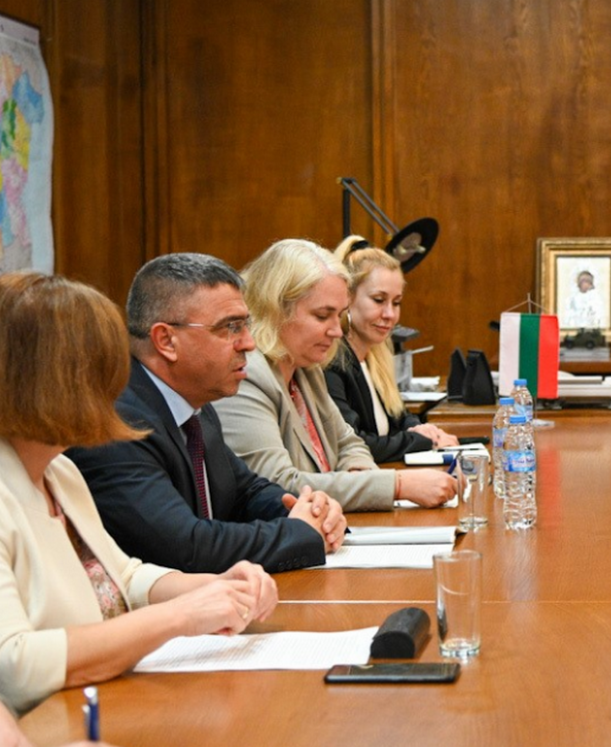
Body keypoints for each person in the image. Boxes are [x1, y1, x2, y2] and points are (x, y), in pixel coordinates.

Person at [0, 273, 277, 716]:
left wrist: (216, 586)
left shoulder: (59, 470)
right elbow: (15, 666)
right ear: (42, 381)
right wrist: (181, 617)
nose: (117, 388)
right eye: (100, 370)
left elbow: (122, 578)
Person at [67, 254, 345, 574]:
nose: (249, 343)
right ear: (166, 341)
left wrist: (314, 511)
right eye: (230, 327)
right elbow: (186, 547)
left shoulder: (195, 402)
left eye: (246, 325)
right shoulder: (117, 423)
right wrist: (300, 533)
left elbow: (246, 492)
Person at [212, 238, 456, 509]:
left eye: (338, 316)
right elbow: (277, 486)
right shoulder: (246, 376)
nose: (337, 331)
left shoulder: (306, 370)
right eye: (322, 316)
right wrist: (396, 486)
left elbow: (350, 443)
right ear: (276, 309)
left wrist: (360, 477)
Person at [326, 236, 459, 463]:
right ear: (346, 298)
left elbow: (400, 416)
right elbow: (355, 443)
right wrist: (425, 441)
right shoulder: (332, 362)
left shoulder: (376, 357)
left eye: (396, 303)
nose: (390, 314)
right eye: (379, 300)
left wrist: (422, 429)